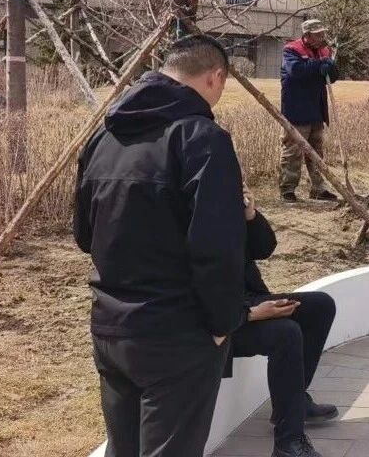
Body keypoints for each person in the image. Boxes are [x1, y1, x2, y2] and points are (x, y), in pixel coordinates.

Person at [73, 35, 247, 457]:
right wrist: (223, 323)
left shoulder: (103, 137)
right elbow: (217, 246)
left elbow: (83, 234)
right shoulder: (202, 138)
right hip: (177, 331)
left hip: (111, 326)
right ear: (214, 77)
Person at [229, 191, 337, 457]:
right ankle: (289, 443)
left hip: (249, 301)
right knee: (286, 332)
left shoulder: (224, 210)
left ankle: (294, 402)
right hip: (221, 321)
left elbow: (264, 249)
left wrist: (250, 216)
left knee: (320, 306)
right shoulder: (191, 215)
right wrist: (249, 313)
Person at [280, 18, 340, 203]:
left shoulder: (324, 51)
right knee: (293, 151)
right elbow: (296, 71)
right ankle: (287, 189)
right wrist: (319, 65)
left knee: (316, 152)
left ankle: (318, 188)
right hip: (296, 110)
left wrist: (331, 67)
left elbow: (332, 77)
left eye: (322, 33)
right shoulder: (292, 50)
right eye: (317, 34)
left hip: (316, 110)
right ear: (307, 35)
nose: (322, 37)